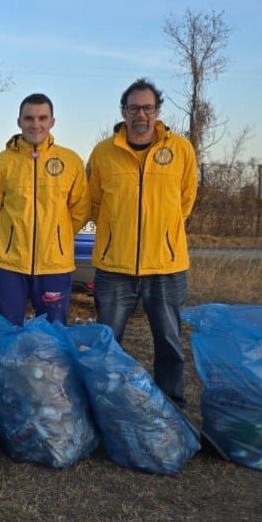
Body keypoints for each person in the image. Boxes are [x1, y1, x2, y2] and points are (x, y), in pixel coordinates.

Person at [87, 78, 198, 407]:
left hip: (165, 266)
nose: (141, 115)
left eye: (148, 108)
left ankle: (171, 407)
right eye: (134, 108)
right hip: (114, 267)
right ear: (124, 111)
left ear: (157, 111)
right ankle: (105, 405)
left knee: (169, 343)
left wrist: (162, 234)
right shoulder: (103, 153)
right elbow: (94, 203)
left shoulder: (180, 150)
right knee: (107, 343)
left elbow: (186, 199)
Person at [0, 93, 89, 325]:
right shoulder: (3, 162)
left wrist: (58, 236)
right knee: (5, 329)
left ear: (52, 122)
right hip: (10, 264)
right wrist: (9, 238)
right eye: (29, 118)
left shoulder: (70, 161)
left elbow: (80, 209)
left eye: (42, 118)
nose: (36, 124)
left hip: (55, 265)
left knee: (53, 332)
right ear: (19, 121)